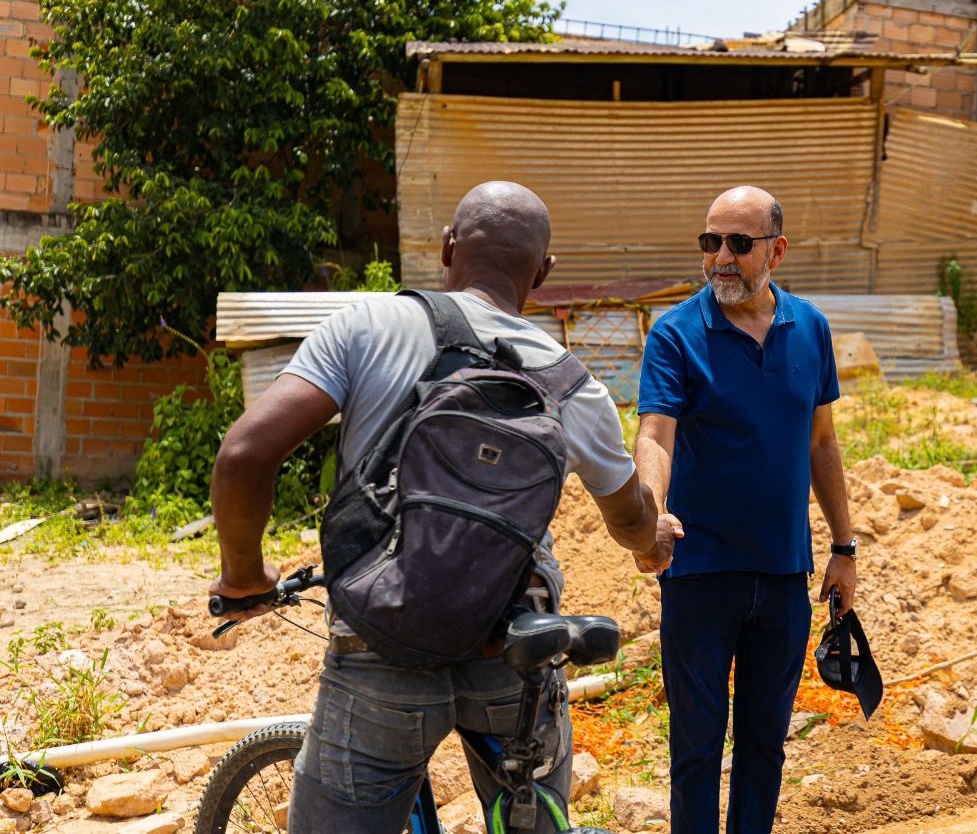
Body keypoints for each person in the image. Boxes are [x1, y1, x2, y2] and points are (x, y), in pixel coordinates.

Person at [208, 181, 675, 833]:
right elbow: (630, 520)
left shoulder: (365, 327)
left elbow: (244, 456)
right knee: (530, 820)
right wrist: (653, 544)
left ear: (449, 247)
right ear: (541, 274)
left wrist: (243, 578)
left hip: (382, 645)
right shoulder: (575, 384)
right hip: (512, 649)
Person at [635, 185, 857, 833]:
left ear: (776, 251)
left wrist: (845, 548)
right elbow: (654, 433)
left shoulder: (810, 328)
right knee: (697, 748)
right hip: (700, 575)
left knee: (765, 747)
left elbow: (822, 440)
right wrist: (649, 510)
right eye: (710, 243)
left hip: (785, 578)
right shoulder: (676, 334)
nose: (720, 258)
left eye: (738, 243)